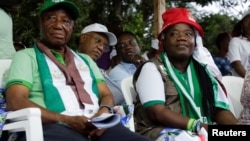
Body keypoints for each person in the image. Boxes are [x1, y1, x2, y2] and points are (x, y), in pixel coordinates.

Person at [4, 1, 153, 141]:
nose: (58, 25)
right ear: (40, 23)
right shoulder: (26, 56)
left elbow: (106, 94)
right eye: (51, 18)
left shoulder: (85, 60)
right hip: (52, 125)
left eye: (65, 21)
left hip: (97, 125)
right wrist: (65, 120)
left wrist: (104, 111)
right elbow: (15, 101)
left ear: (72, 28)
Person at [133, 7, 239, 140]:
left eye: (188, 34)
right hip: (159, 131)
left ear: (195, 43)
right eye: (174, 34)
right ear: (163, 42)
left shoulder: (204, 71)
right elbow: (157, 113)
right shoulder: (151, 68)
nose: (181, 38)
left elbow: (219, 110)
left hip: (201, 129)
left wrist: (238, 130)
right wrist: (199, 126)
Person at [77, 23, 125, 105]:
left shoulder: (98, 69)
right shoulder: (72, 63)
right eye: (98, 41)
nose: (101, 48)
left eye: (105, 46)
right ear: (83, 38)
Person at [228, 13, 250, 78]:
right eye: (246, 21)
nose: (249, 24)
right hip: (240, 82)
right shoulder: (235, 41)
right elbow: (236, 64)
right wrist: (248, 79)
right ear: (242, 25)